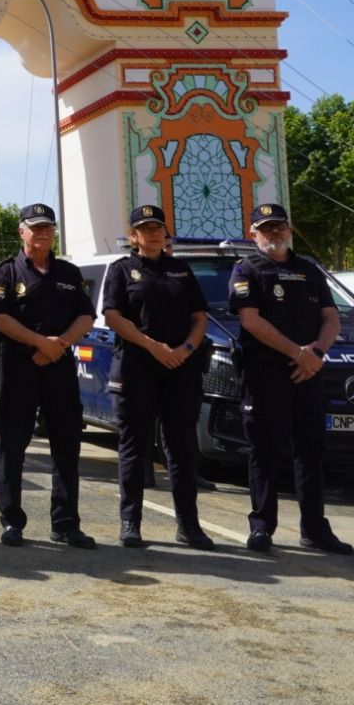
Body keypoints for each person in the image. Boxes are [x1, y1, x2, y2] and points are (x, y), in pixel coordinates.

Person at [230, 203, 353, 555]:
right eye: (265, 228)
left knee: (311, 451)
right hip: (266, 374)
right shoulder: (246, 269)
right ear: (253, 234)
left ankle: (314, 529)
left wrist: (315, 354)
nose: (274, 233)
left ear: (290, 229)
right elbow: (251, 320)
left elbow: (331, 319)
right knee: (265, 451)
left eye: (279, 226)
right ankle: (261, 529)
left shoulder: (310, 270)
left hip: (308, 373)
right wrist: (297, 353)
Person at [100, 205, 214, 550]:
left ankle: (188, 525)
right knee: (135, 447)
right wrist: (153, 346)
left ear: (166, 234)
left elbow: (200, 317)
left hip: (180, 367)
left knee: (181, 448)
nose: (152, 234)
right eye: (144, 229)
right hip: (137, 365)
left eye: (157, 228)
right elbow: (112, 316)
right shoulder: (121, 270)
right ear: (133, 236)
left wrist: (187, 348)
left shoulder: (181, 270)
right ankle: (130, 523)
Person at [0, 203, 97, 548]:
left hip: (59, 364)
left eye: (48, 227)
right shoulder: (6, 272)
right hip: (19, 365)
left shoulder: (68, 272)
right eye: (36, 227)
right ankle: (12, 522)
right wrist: (39, 343)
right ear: (22, 232)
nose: (43, 233)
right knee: (13, 445)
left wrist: (59, 344)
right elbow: (0, 318)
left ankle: (65, 523)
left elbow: (86, 316)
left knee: (66, 445)